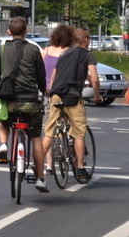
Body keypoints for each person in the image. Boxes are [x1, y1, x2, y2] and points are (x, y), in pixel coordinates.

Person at [0, 17, 49, 193]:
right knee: (36, 138)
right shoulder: (34, 49)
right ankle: (40, 179)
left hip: (10, 100)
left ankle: (3, 145)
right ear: (26, 31)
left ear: (9, 32)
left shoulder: (2, 49)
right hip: (30, 101)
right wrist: (43, 89)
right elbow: (41, 75)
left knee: (3, 120)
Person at [42, 28, 102, 182]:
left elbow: (54, 75)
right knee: (79, 132)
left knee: (49, 131)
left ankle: (37, 164)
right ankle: (81, 168)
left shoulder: (64, 54)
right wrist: (97, 95)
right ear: (86, 41)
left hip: (56, 95)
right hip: (73, 97)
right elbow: (95, 79)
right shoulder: (87, 55)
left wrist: (52, 93)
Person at [41, 24, 75, 174]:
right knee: (71, 123)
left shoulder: (46, 51)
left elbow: (39, 70)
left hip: (47, 92)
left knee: (49, 127)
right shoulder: (69, 52)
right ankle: (69, 146)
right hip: (64, 91)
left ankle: (49, 165)